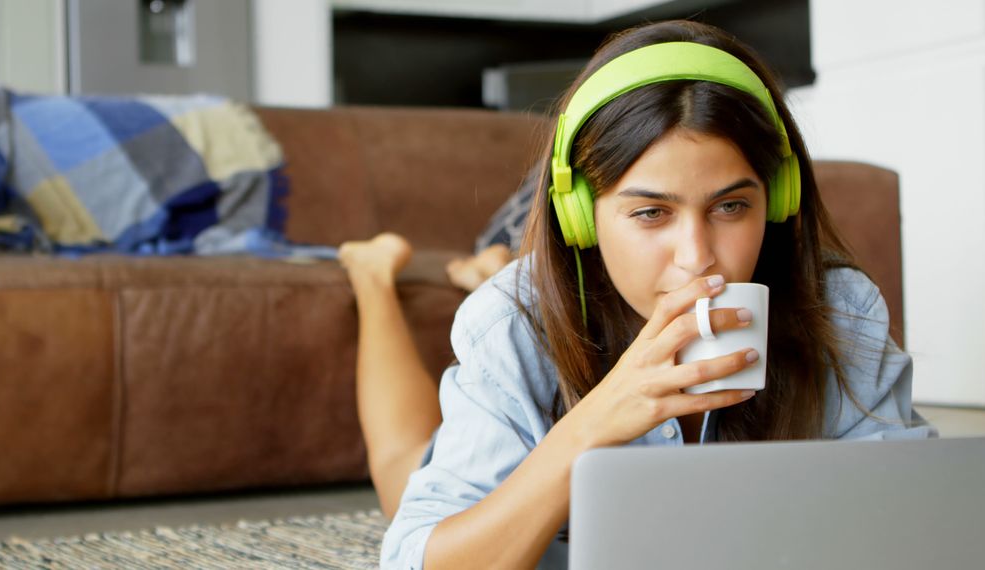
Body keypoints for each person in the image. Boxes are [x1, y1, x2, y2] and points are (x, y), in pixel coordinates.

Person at [337, 20, 935, 570]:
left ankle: (484, 259)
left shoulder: (839, 310)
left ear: (776, 201)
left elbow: (920, 519)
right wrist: (589, 428)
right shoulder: (510, 322)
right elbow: (418, 555)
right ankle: (372, 277)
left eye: (731, 206)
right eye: (651, 213)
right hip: (510, 349)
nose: (697, 256)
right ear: (582, 220)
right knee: (402, 468)